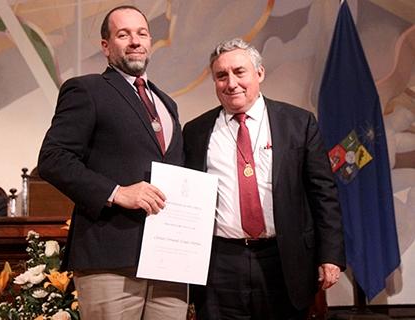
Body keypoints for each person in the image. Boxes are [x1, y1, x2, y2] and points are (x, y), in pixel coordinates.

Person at [37, 5, 186, 320]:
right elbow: (53, 157)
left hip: (168, 259)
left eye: (141, 33)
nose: (135, 41)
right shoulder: (87, 89)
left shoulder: (166, 103)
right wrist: (116, 192)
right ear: (105, 46)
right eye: (123, 34)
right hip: (110, 256)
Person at [182, 38, 346, 320]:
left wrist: (330, 255)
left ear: (259, 73)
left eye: (239, 72)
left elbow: (323, 195)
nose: (231, 82)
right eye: (221, 76)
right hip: (220, 264)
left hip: (284, 259)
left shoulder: (299, 123)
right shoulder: (195, 131)